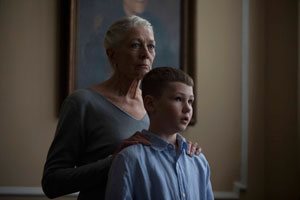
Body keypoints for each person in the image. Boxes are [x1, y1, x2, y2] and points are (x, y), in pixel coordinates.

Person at [42, 16, 201, 200]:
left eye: (151, 46)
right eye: (135, 45)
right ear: (111, 54)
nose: (145, 54)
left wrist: (182, 149)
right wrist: (112, 161)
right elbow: (51, 183)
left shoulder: (156, 104)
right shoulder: (82, 103)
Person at [105, 66, 214, 200]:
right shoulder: (129, 160)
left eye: (190, 101)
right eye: (178, 99)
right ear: (150, 104)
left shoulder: (199, 161)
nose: (188, 108)